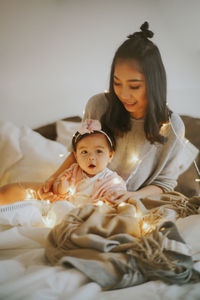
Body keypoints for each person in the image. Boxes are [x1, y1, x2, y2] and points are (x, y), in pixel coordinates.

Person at [39, 21, 198, 202]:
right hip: (80, 193)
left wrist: (132, 196)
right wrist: (54, 178)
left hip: (125, 202)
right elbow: (78, 153)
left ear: (154, 85)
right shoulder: (98, 105)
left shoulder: (171, 126)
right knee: (9, 193)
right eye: (116, 83)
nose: (123, 94)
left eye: (134, 86)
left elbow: (165, 184)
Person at [0, 119, 128, 206]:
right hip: (68, 204)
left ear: (110, 155)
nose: (91, 158)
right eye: (84, 152)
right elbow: (59, 192)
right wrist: (62, 186)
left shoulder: (111, 179)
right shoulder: (73, 171)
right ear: (76, 157)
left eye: (99, 151)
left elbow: (117, 194)